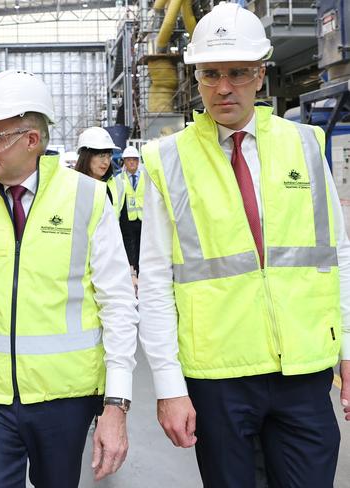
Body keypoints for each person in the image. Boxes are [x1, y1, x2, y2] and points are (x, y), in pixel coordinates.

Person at [138, 3, 350, 487]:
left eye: (237, 72)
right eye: (210, 74)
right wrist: (169, 387)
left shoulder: (306, 145)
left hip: (304, 369)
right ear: (196, 77)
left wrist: (349, 351)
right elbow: (154, 281)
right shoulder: (167, 161)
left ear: (260, 74)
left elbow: (337, 255)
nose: (223, 87)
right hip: (219, 377)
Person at [0, 69, 138, 488]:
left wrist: (116, 403)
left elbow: (117, 304)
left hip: (64, 398)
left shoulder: (87, 197)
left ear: (31, 140)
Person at [74, 127, 122, 208]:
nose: (106, 162)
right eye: (101, 155)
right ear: (86, 156)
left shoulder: (118, 186)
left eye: (109, 156)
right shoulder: (72, 186)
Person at [119, 146, 145, 277]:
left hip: (143, 219)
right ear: (124, 161)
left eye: (135, 159)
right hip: (127, 220)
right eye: (129, 160)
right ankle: (131, 269)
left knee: (142, 246)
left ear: (138, 161)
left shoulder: (146, 178)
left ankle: (140, 270)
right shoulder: (119, 179)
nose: (132, 162)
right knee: (129, 246)